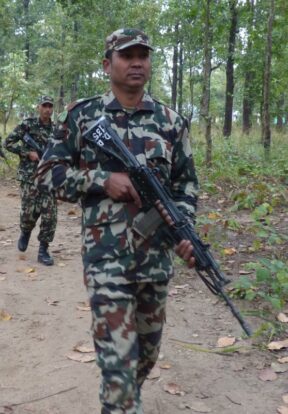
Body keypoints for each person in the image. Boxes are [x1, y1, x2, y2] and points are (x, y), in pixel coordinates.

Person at [36, 28, 199, 414]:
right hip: (105, 261)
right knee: (118, 374)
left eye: (143, 55)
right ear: (108, 64)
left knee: (143, 359)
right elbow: (47, 174)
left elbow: (186, 185)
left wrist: (185, 228)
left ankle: (124, 397)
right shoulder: (83, 116)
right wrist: (101, 180)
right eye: (128, 55)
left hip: (155, 262)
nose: (137, 62)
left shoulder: (171, 122)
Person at [4, 95, 57, 266]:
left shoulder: (57, 129)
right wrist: (28, 153)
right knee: (28, 213)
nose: (47, 109)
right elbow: (8, 143)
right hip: (29, 177)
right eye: (44, 106)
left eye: (50, 106)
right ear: (38, 107)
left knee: (50, 215)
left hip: (49, 177)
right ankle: (26, 231)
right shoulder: (27, 125)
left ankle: (43, 250)